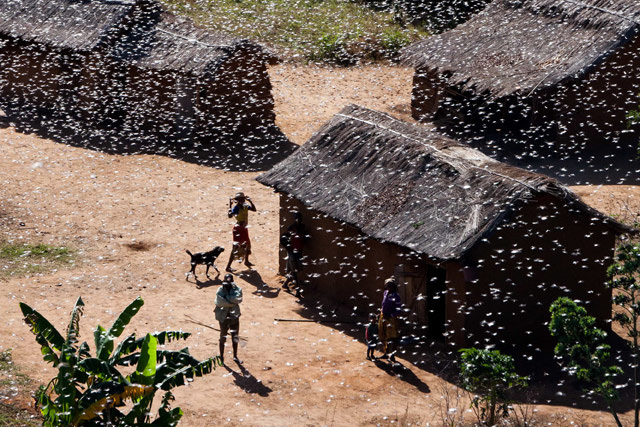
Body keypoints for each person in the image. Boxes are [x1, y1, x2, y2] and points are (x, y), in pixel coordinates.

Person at [214, 273, 243, 364]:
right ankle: (221, 357)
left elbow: (238, 299)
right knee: (222, 337)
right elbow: (220, 302)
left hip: (234, 317)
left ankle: (235, 356)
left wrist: (226, 297)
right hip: (223, 318)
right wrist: (231, 301)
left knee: (235, 337)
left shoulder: (237, 289)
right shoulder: (220, 290)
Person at [225, 192, 256, 272]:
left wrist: (250, 201)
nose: (242, 201)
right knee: (235, 247)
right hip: (238, 229)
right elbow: (230, 216)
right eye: (240, 199)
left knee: (247, 244)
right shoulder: (236, 208)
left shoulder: (245, 206)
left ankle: (246, 261)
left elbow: (254, 209)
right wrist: (230, 206)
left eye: (242, 199)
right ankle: (228, 266)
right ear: (237, 201)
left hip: (244, 228)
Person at [281, 211, 307, 297]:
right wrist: (288, 248)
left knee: (295, 270)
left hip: (298, 252)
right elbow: (284, 238)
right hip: (292, 252)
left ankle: (286, 284)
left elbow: (304, 239)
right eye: (296, 218)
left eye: (299, 218)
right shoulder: (291, 228)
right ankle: (298, 291)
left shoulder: (302, 228)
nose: (298, 220)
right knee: (294, 271)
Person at [378, 277, 402, 363]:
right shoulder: (385, 293)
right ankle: (386, 353)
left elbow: (399, 310)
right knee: (384, 336)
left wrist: (391, 315)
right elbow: (383, 305)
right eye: (387, 286)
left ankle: (392, 355)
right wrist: (381, 311)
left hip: (391, 319)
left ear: (394, 287)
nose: (389, 288)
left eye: (390, 286)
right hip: (383, 317)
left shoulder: (396, 296)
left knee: (393, 338)